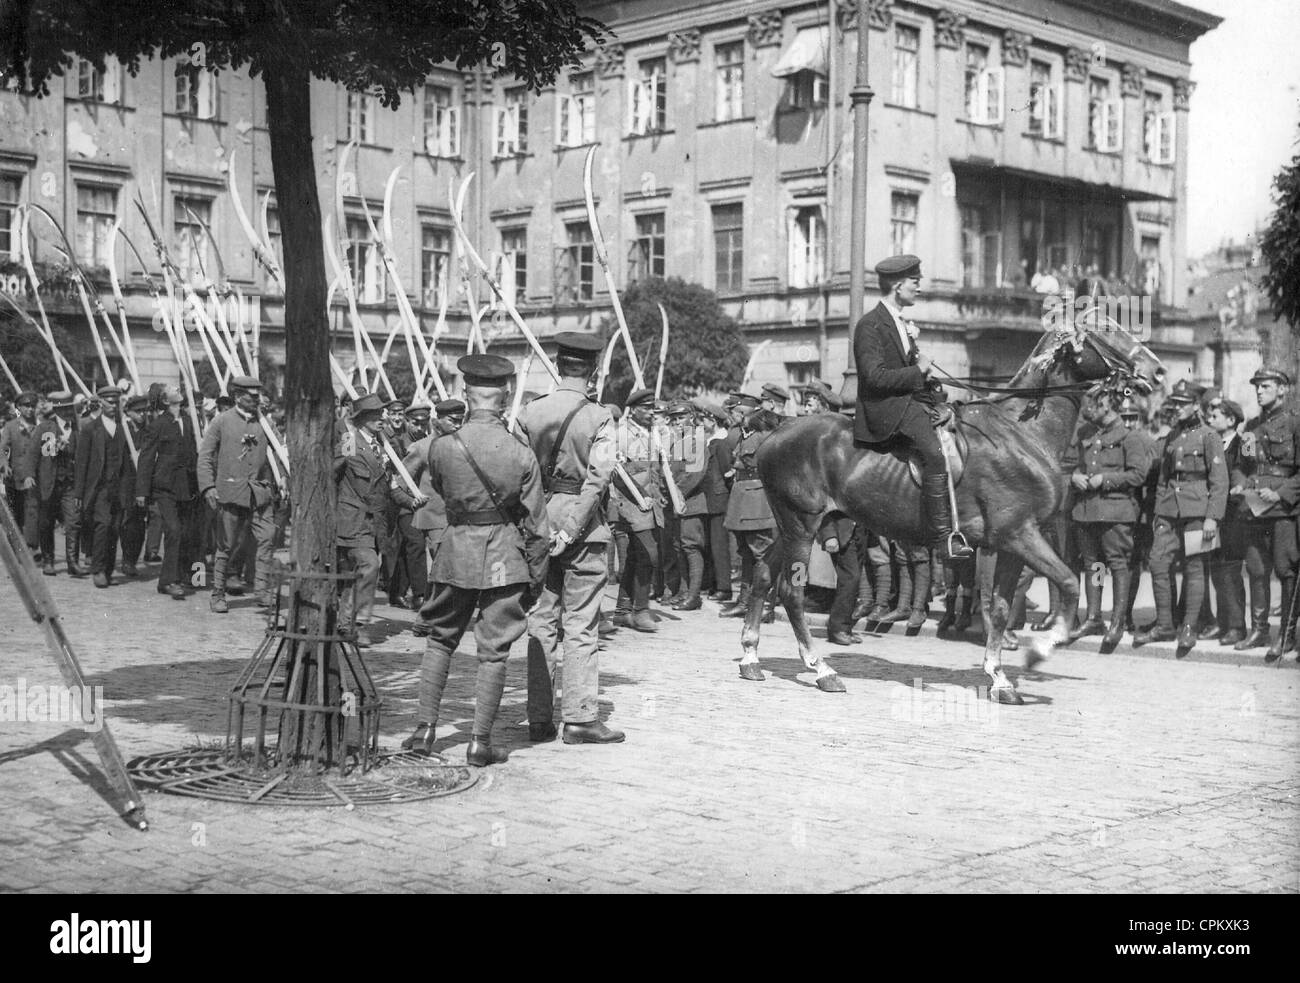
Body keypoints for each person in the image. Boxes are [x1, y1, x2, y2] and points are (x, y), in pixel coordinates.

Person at [403, 353, 550, 766]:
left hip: (454, 553)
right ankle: (479, 742)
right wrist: (535, 577)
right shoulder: (521, 453)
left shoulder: (441, 448)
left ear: (465, 395)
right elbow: (537, 526)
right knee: (495, 650)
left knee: (440, 639)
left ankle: (425, 730)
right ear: (505, 398)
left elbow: (440, 500)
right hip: (505, 555)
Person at [521, 332, 626, 746]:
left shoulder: (530, 413)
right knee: (581, 623)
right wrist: (571, 528)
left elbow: (522, 475)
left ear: (559, 366)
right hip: (584, 531)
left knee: (541, 620)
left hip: (539, 523)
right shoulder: (600, 417)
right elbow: (598, 479)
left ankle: (538, 718)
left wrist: (541, 527)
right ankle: (580, 717)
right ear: (594, 370)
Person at [853, 254, 972, 560]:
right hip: (887, 408)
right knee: (935, 454)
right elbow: (874, 377)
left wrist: (931, 386)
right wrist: (918, 370)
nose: (919, 287)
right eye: (915, 282)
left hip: (910, 400)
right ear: (897, 284)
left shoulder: (901, 322)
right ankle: (943, 537)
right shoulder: (870, 325)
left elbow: (908, 373)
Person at [1133, 380, 1228, 651]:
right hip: (1168, 512)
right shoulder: (1171, 436)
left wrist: (1212, 518)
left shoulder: (1209, 436)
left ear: (1196, 406)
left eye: (1183, 404)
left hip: (1198, 512)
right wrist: (1159, 511)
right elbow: (1163, 478)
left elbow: (1219, 482)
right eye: (1175, 403)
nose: (1177, 408)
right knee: (1158, 563)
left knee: (1195, 568)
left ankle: (1189, 627)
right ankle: (1164, 625)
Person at [1067, 389, 1150, 651]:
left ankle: (1117, 621)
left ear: (1107, 405)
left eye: (1093, 403)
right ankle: (1093, 617)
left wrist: (1106, 479)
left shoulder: (1130, 436)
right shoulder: (1086, 434)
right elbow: (1077, 464)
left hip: (1116, 511)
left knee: (1117, 565)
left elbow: (1137, 475)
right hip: (1087, 510)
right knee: (1094, 566)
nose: (1088, 407)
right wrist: (1075, 476)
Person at [1232, 369, 1300, 661]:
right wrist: (1240, 484)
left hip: (1283, 509)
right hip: (1254, 506)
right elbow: (1242, 465)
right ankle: (1259, 630)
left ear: (1282, 390)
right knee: (1257, 570)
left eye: (1266, 386)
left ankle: (1285, 636)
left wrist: (1283, 492)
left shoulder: (1296, 423)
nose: (1260, 392)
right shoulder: (1251, 427)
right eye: (1257, 387)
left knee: (1286, 572)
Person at [196, 375, 277, 613]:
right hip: (230, 491)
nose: (256, 400)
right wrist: (208, 487)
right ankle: (218, 594)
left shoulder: (266, 423)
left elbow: (280, 451)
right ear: (237, 397)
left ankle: (261, 590)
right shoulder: (222, 421)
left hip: (260, 493)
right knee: (226, 545)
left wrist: (281, 479)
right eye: (252, 397)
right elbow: (205, 456)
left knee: (267, 537)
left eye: (258, 396)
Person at [399, 398, 465, 637]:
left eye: (460, 421)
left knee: (450, 568)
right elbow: (400, 481)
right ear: (438, 420)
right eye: (452, 421)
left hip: (460, 517)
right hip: (435, 516)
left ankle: (436, 615)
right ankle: (427, 618)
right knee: (441, 568)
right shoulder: (422, 448)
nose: (457, 425)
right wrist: (413, 500)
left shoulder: (463, 446)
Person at [334, 392, 392, 648]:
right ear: (362, 418)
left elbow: (389, 484)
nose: (381, 419)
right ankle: (359, 625)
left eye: (381, 415)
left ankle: (345, 622)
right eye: (375, 415)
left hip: (375, 521)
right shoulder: (349, 440)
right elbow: (331, 474)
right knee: (369, 566)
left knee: (354, 574)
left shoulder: (383, 445)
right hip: (353, 518)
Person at [135, 387, 200, 599]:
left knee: (187, 532)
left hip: (187, 486)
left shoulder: (190, 421)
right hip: (164, 487)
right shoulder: (157, 425)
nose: (178, 390)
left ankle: (181, 576)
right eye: (172, 390)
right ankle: (168, 581)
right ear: (165, 400)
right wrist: (142, 491)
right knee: (173, 530)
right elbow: (146, 459)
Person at [72, 386, 135, 588]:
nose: (113, 406)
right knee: (103, 525)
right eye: (109, 402)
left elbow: (127, 462)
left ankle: (107, 569)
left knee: (115, 528)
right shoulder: (91, 429)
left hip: (118, 488)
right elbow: (81, 463)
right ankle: (97, 569)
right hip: (99, 488)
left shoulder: (122, 428)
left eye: (116, 402)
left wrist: (129, 490)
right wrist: (79, 493)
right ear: (101, 403)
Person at [611, 387, 664, 631]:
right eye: (646, 409)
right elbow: (617, 472)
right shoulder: (621, 434)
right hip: (630, 503)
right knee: (648, 554)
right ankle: (641, 610)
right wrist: (640, 498)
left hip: (650, 503)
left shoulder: (652, 433)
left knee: (634, 555)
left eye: (653, 408)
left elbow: (655, 470)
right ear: (634, 410)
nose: (651, 413)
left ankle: (623, 610)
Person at [1206, 396, 1249, 646]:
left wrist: (1239, 484)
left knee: (1231, 570)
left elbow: (1249, 468)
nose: (1210, 420)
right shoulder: (1211, 444)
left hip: (1234, 516)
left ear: (1231, 420)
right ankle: (1222, 624)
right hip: (1213, 516)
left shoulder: (1244, 443)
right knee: (1216, 570)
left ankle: (1236, 626)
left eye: (1215, 416)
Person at [33, 391, 80, 576]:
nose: (67, 412)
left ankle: (73, 562)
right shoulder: (46, 428)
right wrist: (30, 476)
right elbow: (39, 455)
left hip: (70, 484)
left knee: (73, 522)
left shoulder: (77, 429)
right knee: (46, 523)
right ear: (57, 410)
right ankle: (48, 560)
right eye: (63, 409)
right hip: (49, 483)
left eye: (69, 408)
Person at [0, 390, 41, 552]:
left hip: (33, 477)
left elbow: (47, 451)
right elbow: (3, 448)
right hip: (14, 478)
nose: (30, 409)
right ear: (18, 407)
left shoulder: (40, 426)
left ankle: (31, 546)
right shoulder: (10, 427)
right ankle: (16, 547)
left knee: (32, 511)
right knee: (15, 514)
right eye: (26, 406)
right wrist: (4, 465)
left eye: (32, 406)